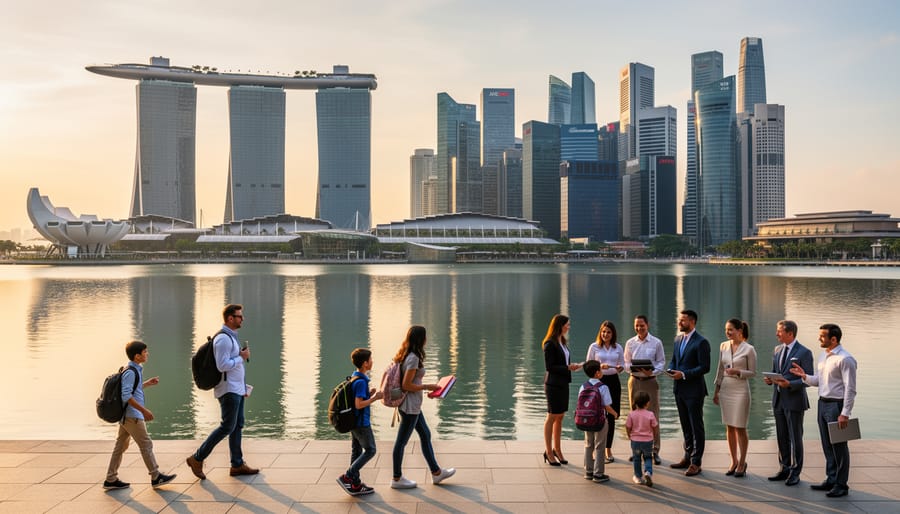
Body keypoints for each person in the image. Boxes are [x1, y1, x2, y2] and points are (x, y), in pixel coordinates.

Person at [186, 304, 258, 480]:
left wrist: (242, 387)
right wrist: (241, 358)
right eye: (239, 316)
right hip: (228, 391)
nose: (242, 319)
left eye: (242, 316)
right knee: (227, 426)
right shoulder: (223, 339)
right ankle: (197, 458)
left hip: (236, 389)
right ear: (230, 318)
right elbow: (222, 365)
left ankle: (237, 464)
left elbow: (231, 366)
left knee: (237, 425)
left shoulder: (231, 338)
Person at [790, 323, 857, 498]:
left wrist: (845, 413)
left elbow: (850, 389)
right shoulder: (823, 356)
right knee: (827, 445)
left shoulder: (845, 359)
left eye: (822, 336)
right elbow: (819, 381)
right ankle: (831, 479)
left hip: (837, 405)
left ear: (833, 339)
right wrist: (804, 376)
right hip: (823, 403)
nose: (819, 338)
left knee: (840, 447)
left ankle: (841, 485)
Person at [103, 341, 176, 490]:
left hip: (126, 416)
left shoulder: (133, 369)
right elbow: (126, 396)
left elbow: (133, 389)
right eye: (145, 352)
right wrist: (144, 410)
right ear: (137, 356)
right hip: (132, 416)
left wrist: (147, 383)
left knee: (120, 446)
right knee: (146, 444)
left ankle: (111, 478)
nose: (147, 354)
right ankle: (156, 476)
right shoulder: (130, 372)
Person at [391, 325, 455, 489]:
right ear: (422, 339)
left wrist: (425, 389)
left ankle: (436, 473)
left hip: (413, 405)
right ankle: (396, 479)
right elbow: (406, 385)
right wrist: (428, 386)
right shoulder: (412, 358)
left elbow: (411, 383)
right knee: (401, 442)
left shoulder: (407, 354)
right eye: (425, 337)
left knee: (425, 434)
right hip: (409, 407)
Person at [764, 319, 813, 487]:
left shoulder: (804, 352)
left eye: (779, 331)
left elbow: (809, 380)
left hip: (794, 401)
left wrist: (790, 384)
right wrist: (770, 379)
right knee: (782, 436)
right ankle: (784, 468)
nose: (776, 334)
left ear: (790, 333)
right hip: (778, 400)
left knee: (795, 438)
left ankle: (795, 472)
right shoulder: (777, 350)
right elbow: (777, 372)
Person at [712, 318, 757, 477]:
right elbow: (719, 368)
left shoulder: (749, 349)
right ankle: (734, 460)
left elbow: (753, 372)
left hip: (740, 390)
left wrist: (738, 372)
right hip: (725, 389)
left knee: (740, 426)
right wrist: (716, 390)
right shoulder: (723, 345)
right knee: (729, 426)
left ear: (740, 331)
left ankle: (743, 462)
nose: (727, 332)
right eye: (726, 329)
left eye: (730, 329)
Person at [668, 309, 711, 477]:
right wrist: (671, 369)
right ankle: (687, 456)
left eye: (683, 320)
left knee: (696, 427)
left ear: (692, 322)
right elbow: (674, 359)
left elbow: (704, 367)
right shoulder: (677, 339)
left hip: (694, 391)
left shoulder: (702, 342)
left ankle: (696, 462)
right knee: (685, 426)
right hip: (679, 389)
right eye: (679, 320)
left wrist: (684, 374)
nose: (680, 323)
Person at [336, 348, 383, 496]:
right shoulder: (361, 381)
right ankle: (348, 476)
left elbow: (358, 400)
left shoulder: (354, 378)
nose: (372, 361)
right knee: (371, 450)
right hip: (361, 423)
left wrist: (369, 395)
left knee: (356, 451)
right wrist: (375, 398)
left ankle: (355, 485)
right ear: (365, 363)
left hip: (353, 422)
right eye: (370, 359)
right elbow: (358, 404)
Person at [623, 315, 665, 464]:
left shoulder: (656, 343)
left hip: (650, 381)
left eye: (642, 325)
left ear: (648, 325)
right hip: (634, 381)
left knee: (653, 415)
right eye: (637, 325)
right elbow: (625, 363)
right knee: (634, 415)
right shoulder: (630, 343)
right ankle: (636, 450)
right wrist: (633, 368)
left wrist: (652, 371)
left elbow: (661, 362)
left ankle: (655, 451)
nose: (639, 328)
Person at [542, 314, 582, 466]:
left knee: (560, 417)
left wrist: (573, 366)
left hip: (564, 382)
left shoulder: (562, 341)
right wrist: (567, 367)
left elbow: (565, 362)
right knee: (552, 416)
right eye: (567, 324)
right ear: (560, 325)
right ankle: (548, 451)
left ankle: (557, 449)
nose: (569, 327)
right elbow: (549, 367)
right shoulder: (549, 343)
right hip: (553, 384)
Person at [585, 321, 624, 463]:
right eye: (603, 332)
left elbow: (623, 364)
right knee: (597, 415)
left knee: (612, 416)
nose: (605, 334)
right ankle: (596, 448)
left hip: (614, 381)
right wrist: (599, 366)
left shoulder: (618, 347)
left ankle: (608, 448)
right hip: (598, 382)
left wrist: (620, 367)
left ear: (612, 334)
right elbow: (588, 366)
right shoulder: (594, 347)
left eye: (608, 332)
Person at [578, 360, 618, 483]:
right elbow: (607, 406)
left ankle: (588, 471)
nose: (602, 372)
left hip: (586, 420)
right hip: (600, 421)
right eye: (600, 370)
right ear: (597, 373)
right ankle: (598, 474)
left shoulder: (583, 386)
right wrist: (615, 414)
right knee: (600, 446)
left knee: (588, 445)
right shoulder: (603, 387)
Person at [626, 391, 658, 487]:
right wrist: (654, 435)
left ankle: (638, 477)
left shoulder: (631, 414)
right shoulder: (650, 414)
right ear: (647, 403)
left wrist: (629, 435)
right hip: (648, 441)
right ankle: (648, 472)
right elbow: (655, 426)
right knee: (648, 457)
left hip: (635, 441)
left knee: (636, 458)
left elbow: (627, 426)